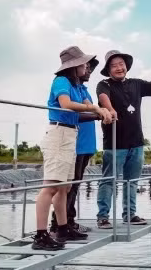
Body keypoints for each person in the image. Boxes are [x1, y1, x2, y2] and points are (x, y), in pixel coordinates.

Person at [33, 46, 112, 251]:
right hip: (58, 134)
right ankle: (40, 235)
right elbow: (66, 104)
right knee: (50, 187)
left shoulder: (77, 86)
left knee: (65, 187)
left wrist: (103, 110)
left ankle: (63, 227)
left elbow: (88, 103)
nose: (87, 67)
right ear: (74, 65)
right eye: (84, 64)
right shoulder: (61, 81)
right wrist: (94, 108)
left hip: (70, 134)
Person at [95, 50, 151, 228]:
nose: (119, 68)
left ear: (126, 66)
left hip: (136, 143)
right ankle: (103, 216)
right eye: (114, 65)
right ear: (108, 70)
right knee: (109, 180)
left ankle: (129, 214)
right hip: (115, 144)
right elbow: (103, 99)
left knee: (131, 182)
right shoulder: (104, 84)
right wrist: (110, 109)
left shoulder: (136, 84)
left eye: (121, 64)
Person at [50, 54, 109, 234]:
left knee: (74, 185)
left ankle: (69, 220)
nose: (88, 70)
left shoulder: (82, 90)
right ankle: (61, 222)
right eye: (86, 67)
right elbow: (72, 110)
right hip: (74, 142)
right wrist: (97, 112)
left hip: (85, 143)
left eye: (90, 67)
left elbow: (90, 107)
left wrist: (100, 112)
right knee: (68, 185)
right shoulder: (65, 85)